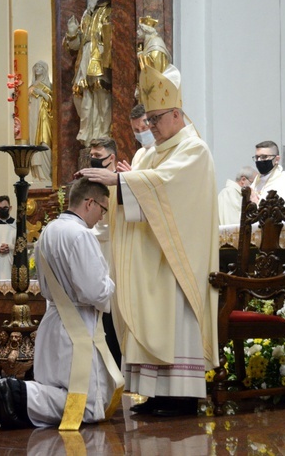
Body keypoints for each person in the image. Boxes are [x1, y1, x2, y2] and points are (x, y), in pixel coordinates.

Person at [79, 63, 219, 417]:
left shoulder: (194, 150)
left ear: (176, 114)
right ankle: (155, 393)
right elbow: (141, 195)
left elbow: (168, 188)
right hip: (149, 257)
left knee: (174, 318)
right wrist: (120, 186)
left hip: (177, 261)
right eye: (148, 121)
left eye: (155, 120)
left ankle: (182, 397)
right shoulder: (147, 153)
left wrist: (122, 183)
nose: (150, 128)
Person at [0, 178, 123, 430]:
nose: (101, 217)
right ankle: (18, 394)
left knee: (60, 388)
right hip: (77, 327)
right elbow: (95, 291)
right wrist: (112, 283)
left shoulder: (50, 230)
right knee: (88, 405)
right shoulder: (81, 235)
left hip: (53, 322)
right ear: (89, 202)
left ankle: (18, 394)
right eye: (102, 209)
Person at [65, 0, 112, 145]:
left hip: (98, 57)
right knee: (82, 96)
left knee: (101, 94)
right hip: (84, 57)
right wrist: (72, 34)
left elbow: (111, 36)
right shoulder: (86, 15)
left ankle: (104, 132)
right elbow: (75, 46)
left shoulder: (107, 11)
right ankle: (86, 134)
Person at [88, 137, 121, 366]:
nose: (94, 160)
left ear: (112, 158)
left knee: (116, 312)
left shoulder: (122, 181)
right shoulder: (92, 182)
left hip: (115, 250)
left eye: (98, 157)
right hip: (96, 249)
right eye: (92, 156)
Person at [28, 60, 53, 184]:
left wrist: (41, 93)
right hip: (33, 118)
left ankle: (46, 176)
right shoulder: (31, 87)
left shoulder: (48, 85)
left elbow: (52, 101)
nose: (37, 68)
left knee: (45, 144)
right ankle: (37, 176)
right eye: (36, 66)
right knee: (34, 144)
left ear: (45, 69)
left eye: (40, 66)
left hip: (44, 118)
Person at [250, 140, 285, 205]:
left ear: (277, 159)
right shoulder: (258, 179)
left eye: (264, 157)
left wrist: (256, 204)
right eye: (257, 157)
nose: (259, 160)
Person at [116, 104, 155, 172]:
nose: (141, 133)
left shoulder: (163, 150)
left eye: (144, 128)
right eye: (136, 130)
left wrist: (130, 177)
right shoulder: (139, 153)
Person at [0, 195, 16, 295]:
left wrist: (10, 247)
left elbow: (22, 245)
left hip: (11, 264)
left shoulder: (16, 225)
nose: (3, 210)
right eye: (0, 208)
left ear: (10, 208)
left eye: (5, 208)